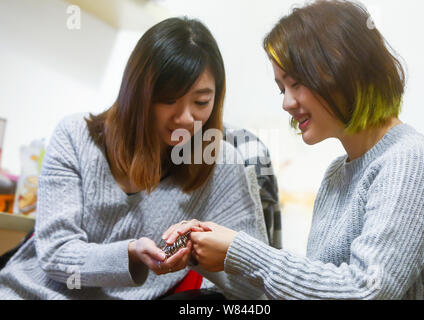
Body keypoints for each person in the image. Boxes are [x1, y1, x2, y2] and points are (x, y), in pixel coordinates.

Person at [167, 0, 424, 299]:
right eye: (282, 88)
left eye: (296, 83)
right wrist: (204, 252)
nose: (286, 103)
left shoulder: (410, 160)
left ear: (344, 70)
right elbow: (315, 289)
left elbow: (365, 291)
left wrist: (242, 251)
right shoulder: (336, 174)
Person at [0, 17, 268, 299]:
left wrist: (198, 254)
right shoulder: (75, 136)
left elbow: (255, 285)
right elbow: (57, 253)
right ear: (138, 92)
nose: (186, 118)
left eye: (201, 102)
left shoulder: (221, 164)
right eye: (168, 99)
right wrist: (130, 254)